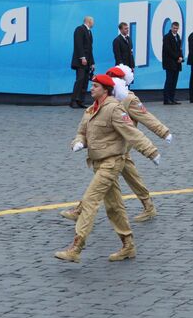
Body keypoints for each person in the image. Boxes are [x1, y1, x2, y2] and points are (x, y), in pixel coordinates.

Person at [54, 74, 160, 264]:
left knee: (90, 201)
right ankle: (128, 245)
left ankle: (76, 248)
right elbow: (81, 132)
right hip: (97, 163)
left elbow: (132, 133)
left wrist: (151, 152)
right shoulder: (89, 111)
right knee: (114, 207)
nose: (91, 88)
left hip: (112, 162)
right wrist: (78, 143)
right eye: (92, 85)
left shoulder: (114, 109)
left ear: (105, 89)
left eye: (95, 86)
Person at [63, 65, 173, 224]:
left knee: (104, 180)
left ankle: (81, 210)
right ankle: (147, 206)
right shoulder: (104, 99)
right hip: (110, 147)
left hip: (122, 148)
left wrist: (164, 132)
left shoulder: (129, 99)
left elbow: (146, 117)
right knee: (126, 178)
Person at [70, 16, 95, 108]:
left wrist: (92, 62)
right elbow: (78, 44)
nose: (93, 23)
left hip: (87, 62)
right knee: (80, 80)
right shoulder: (80, 29)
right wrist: (82, 57)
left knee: (85, 81)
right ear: (89, 21)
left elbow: (90, 49)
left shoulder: (89, 32)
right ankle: (73, 101)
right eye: (93, 21)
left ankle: (80, 101)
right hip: (81, 61)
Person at [161, 21, 183, 105]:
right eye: (174, 28)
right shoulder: (167, 37)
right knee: (169, 81)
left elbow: (180, 48)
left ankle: (172, 98)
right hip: (169, 62)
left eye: (177, 28)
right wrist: (177, 57)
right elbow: (168, 50)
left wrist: (181, 57)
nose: (175, 30)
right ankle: (166, 99)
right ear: (171, 27)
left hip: (177, 63)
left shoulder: (178, 37)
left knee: (174, 81)